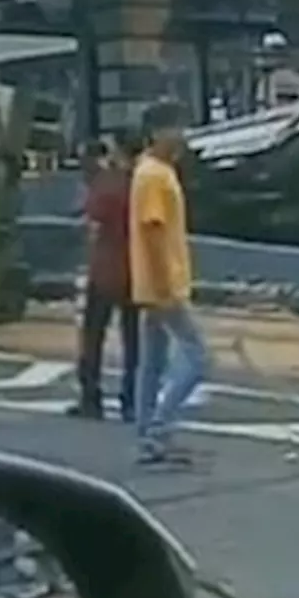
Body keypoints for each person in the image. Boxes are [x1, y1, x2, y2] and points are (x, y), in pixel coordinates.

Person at [130, 99, 206, 466]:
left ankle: (148, 435)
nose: (182, 135)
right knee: (198, 357)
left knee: (153, 361)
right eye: (176, 127)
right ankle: (159, 428)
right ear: (158, 132)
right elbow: (154, 231)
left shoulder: (152, 171)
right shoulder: (154, 176)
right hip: (164, 286)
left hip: (153, 285)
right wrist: (165, 288)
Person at [71, 129, 140, 420]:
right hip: (137, 270)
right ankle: (132, 399)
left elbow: (91, 218)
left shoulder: (109, 183)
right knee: (135, 339)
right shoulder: (144, 181)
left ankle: (91, 397)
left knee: (93, 335)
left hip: (106, 269)